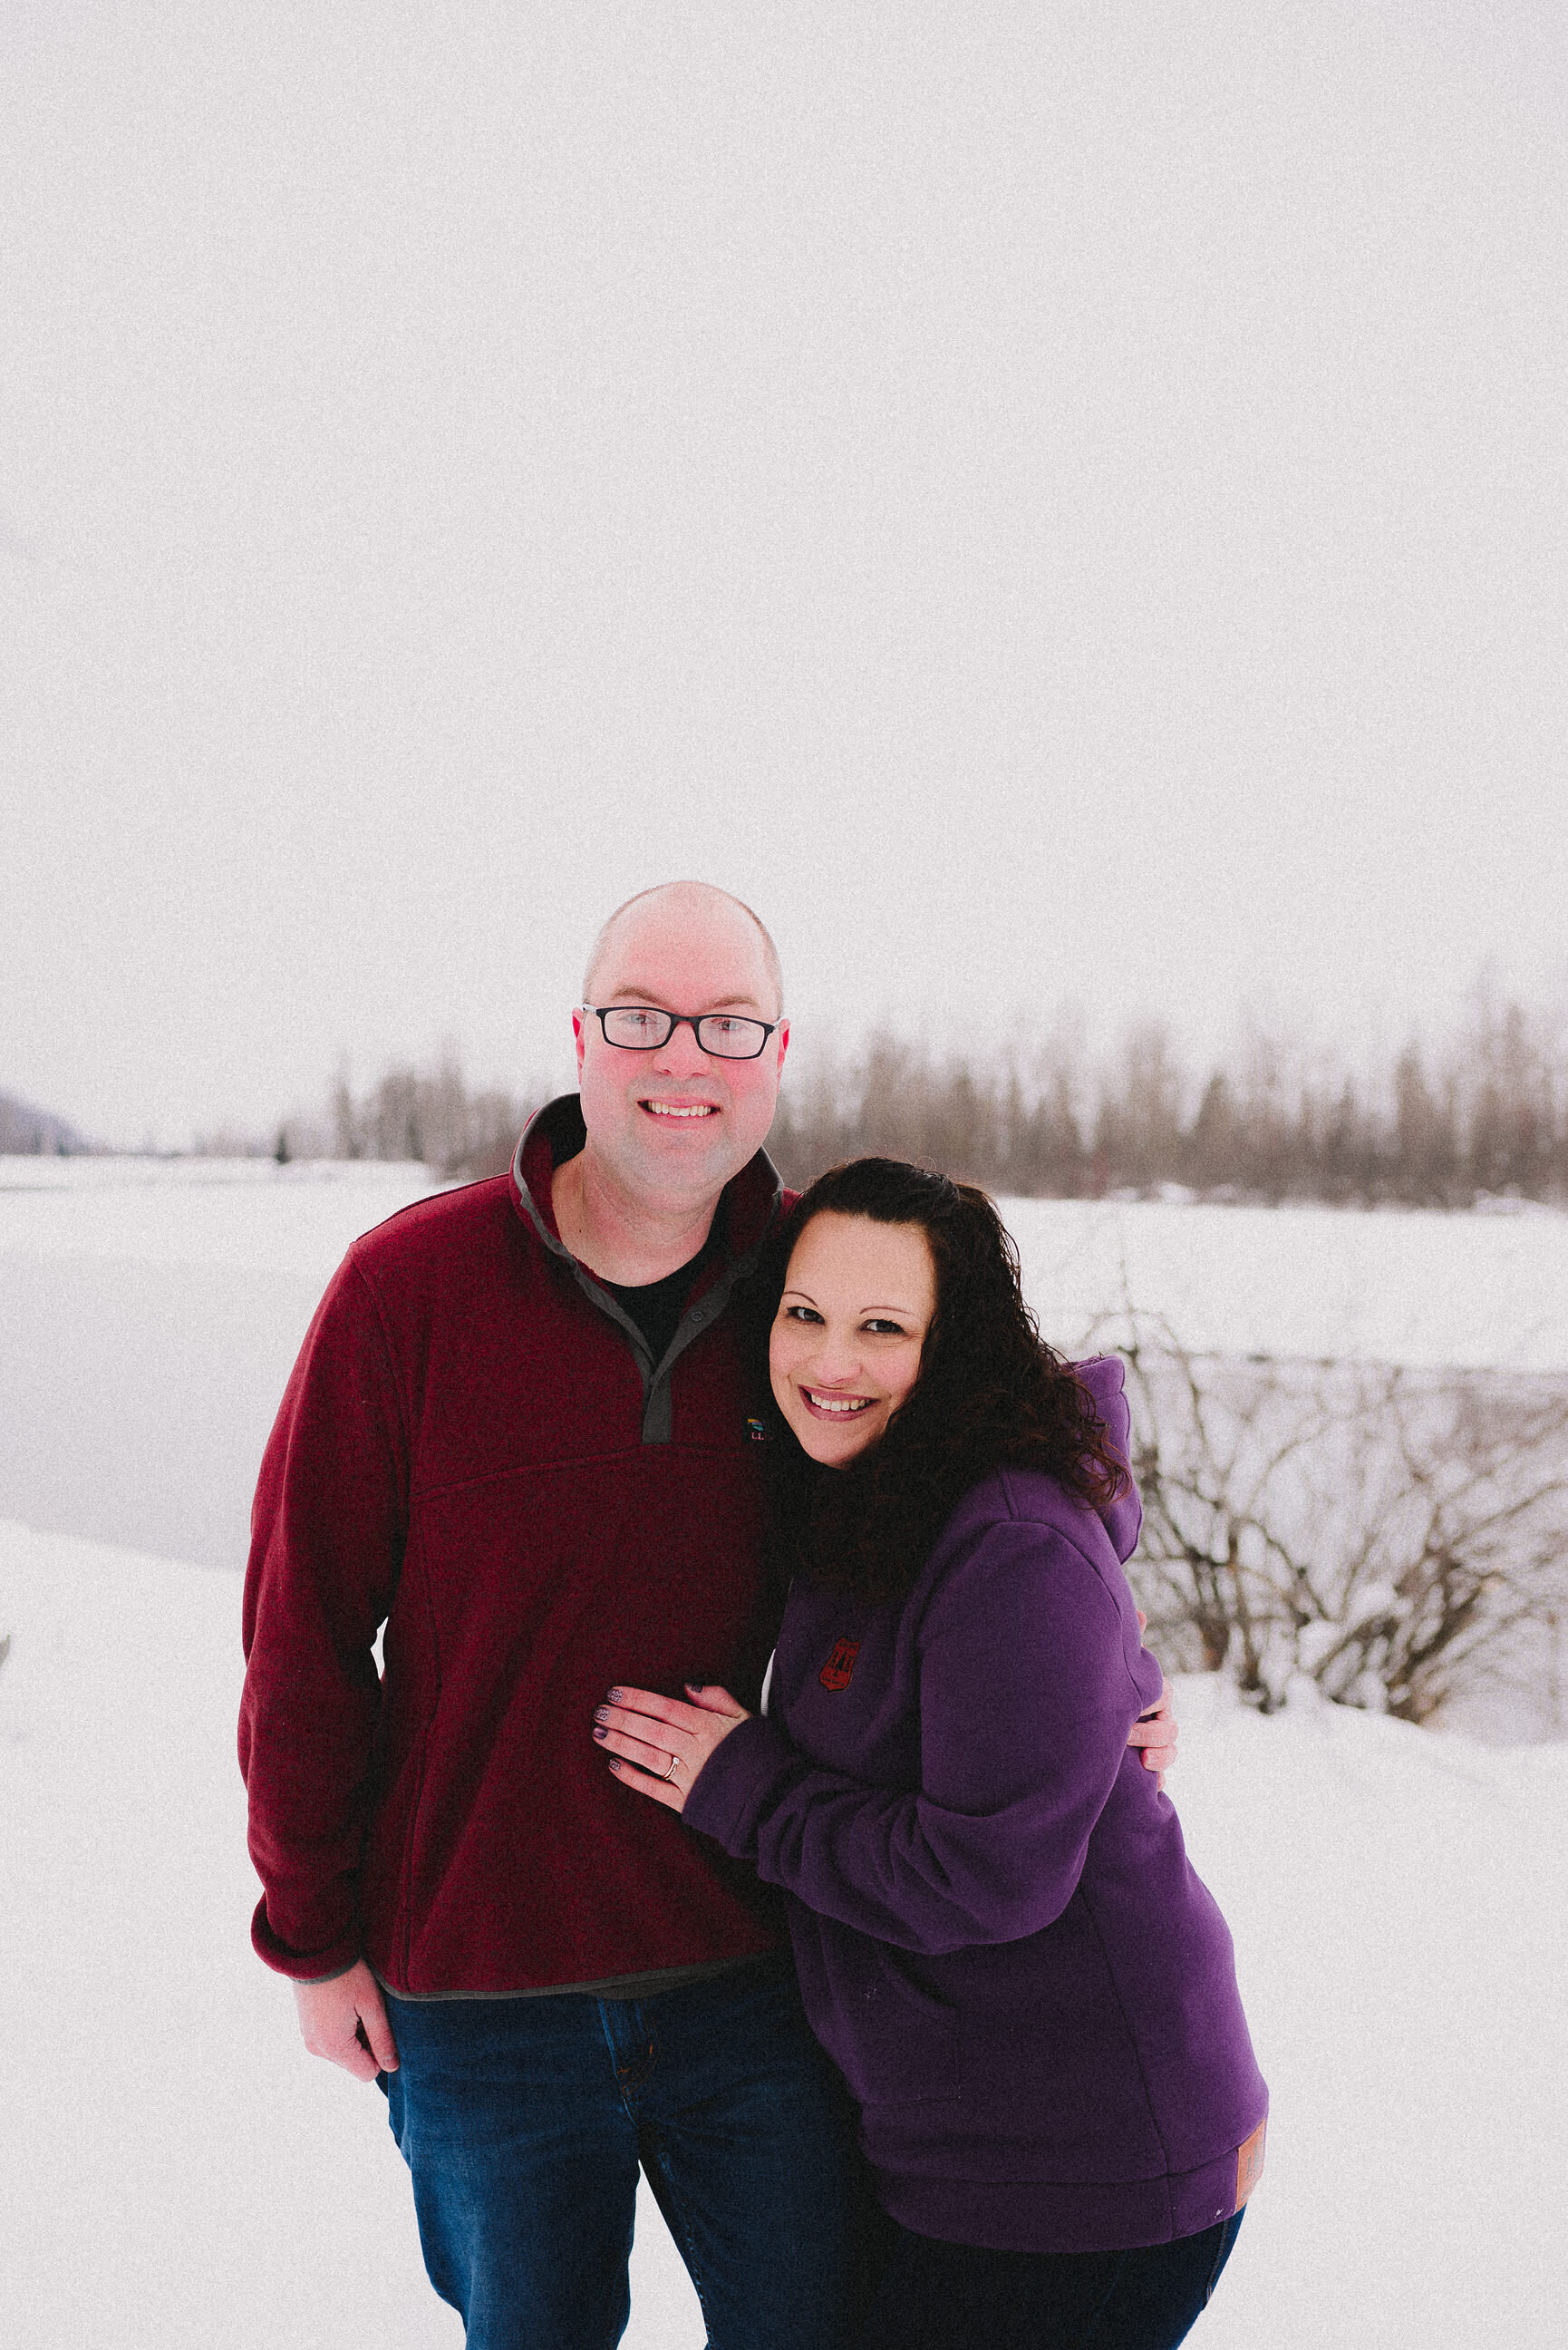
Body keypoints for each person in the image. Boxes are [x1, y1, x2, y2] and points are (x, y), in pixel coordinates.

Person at [239, 882, 1177, 2350]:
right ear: (581, 1037)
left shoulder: (820, 1287)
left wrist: (1109, 1659)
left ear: (778, 1052)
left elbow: (1021, 1456)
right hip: (479, 1991)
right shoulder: (406, 1292)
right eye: (644, 1018)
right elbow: (301, 1639)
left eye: (728, 1025)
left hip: (769, 1975)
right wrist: (310, 1935)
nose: (685, 1058)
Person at [597, 1158, 1266, 2350]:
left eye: (881, 1327)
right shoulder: (868, 1487)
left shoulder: (1003, 1533)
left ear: (953, 1345)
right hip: (965, 2138)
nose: (828, 1362)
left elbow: (986, 1873)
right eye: (802, 1316)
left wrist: (738, 1786)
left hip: (1083, 2162)